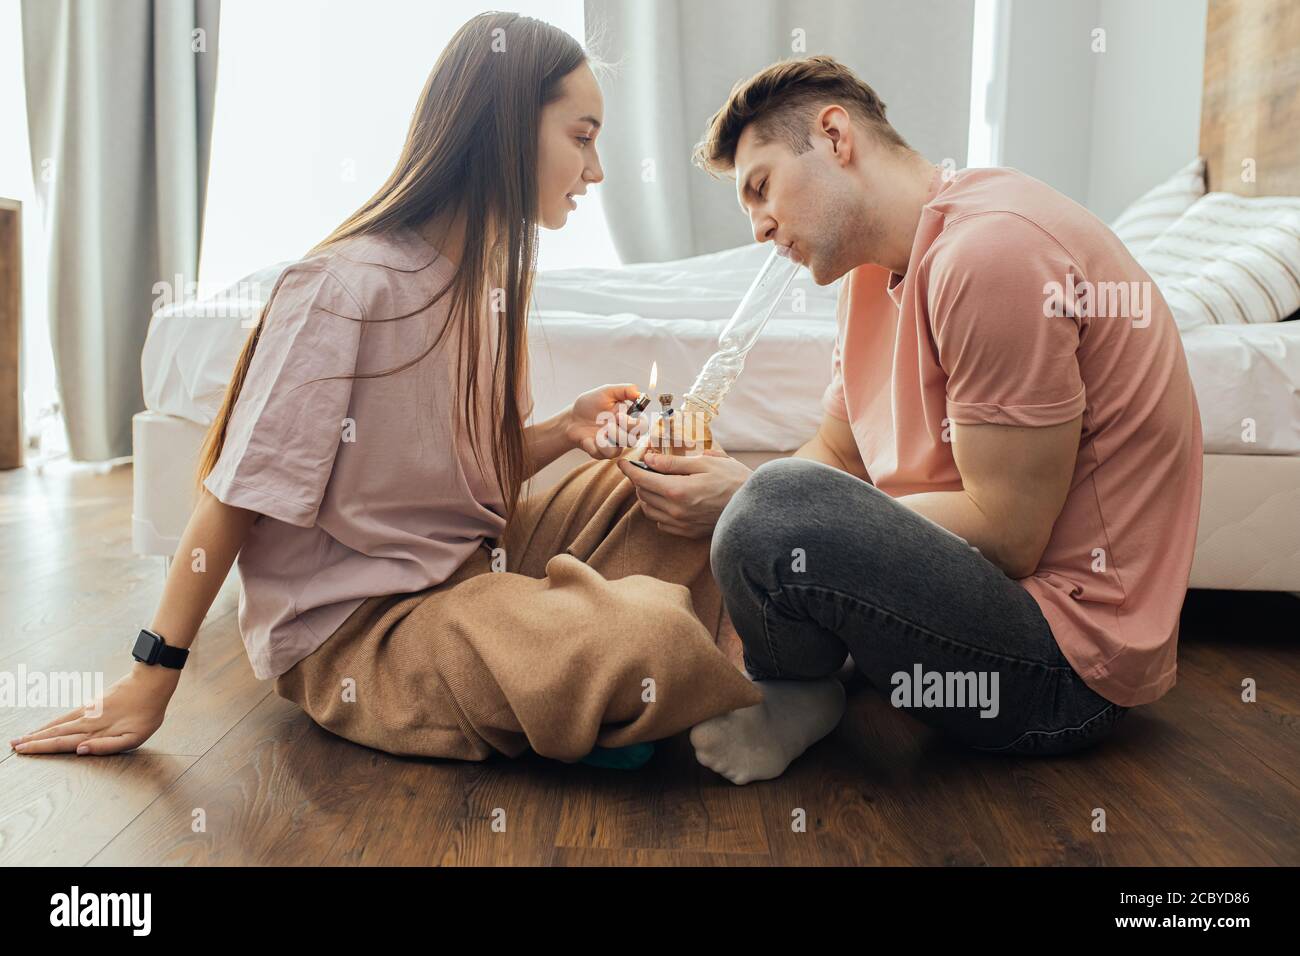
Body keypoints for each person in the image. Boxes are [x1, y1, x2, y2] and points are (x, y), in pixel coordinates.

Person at [9, 13, 760, 764]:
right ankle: (654, 664)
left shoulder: (490, 283)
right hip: (368, 630)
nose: (596, 171)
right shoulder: (343, 288)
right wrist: (152, 674)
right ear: (505, 129)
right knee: (650, 639)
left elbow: (466, 481)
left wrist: (567, 429)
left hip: (473, 563)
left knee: (676, 489)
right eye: (582, 136)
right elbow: (233, 497)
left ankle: (605, 681)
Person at [620, 56, 1203, 784]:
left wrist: (747, 500)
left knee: (770, 503)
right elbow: (838, 451)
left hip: (1062, 670)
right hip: (977, 609)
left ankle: (797, 692)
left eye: (761, 188)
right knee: (773, 500)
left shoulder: (993, 251)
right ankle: (798, 684)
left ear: (835, 137)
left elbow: (1010, 533)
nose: (762, 227)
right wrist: (743, 498)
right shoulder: (868, 275)